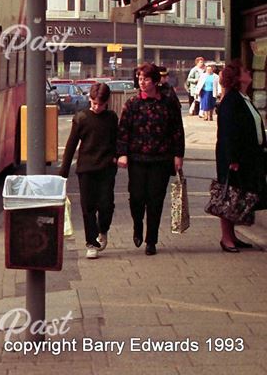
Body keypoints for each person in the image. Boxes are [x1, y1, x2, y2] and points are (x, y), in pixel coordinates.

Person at [116, 63, 185, 255]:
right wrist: (122, 153)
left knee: (155, 200)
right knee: (137, 198)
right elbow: (123, 131)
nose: (142, 82)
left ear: (155, 81)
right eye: (140, 79)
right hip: (137, 159)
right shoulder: (132, 104)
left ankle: (151, 240)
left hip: (161, 159)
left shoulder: (168, 103)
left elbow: (177, 130)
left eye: (146, 79)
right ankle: (138, 225)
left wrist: (178, 155)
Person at [60, 82, 119, 259]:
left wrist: (118, 155)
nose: (96, 107)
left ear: (107, 101)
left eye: (100, 104)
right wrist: (63, 173)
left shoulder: (111, 118)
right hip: (85, 168)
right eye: (93, 103)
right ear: (89, 99)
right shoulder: (81, 118)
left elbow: (117, 140)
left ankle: (103, 229)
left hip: (107, 167)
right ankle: (91, 243)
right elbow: (71, 146)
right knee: (88, 207)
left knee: (106, 204)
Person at [214, 61, 266, 251]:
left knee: (237, 196)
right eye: (245, 71)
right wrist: (232, 159)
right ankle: (226, 238)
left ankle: (232, 236)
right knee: (230, 196)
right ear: (237, 78)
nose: (249, 72)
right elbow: (227, 132)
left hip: (249, 156)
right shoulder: (231, 100)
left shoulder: (243, 98)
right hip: (235, 159)